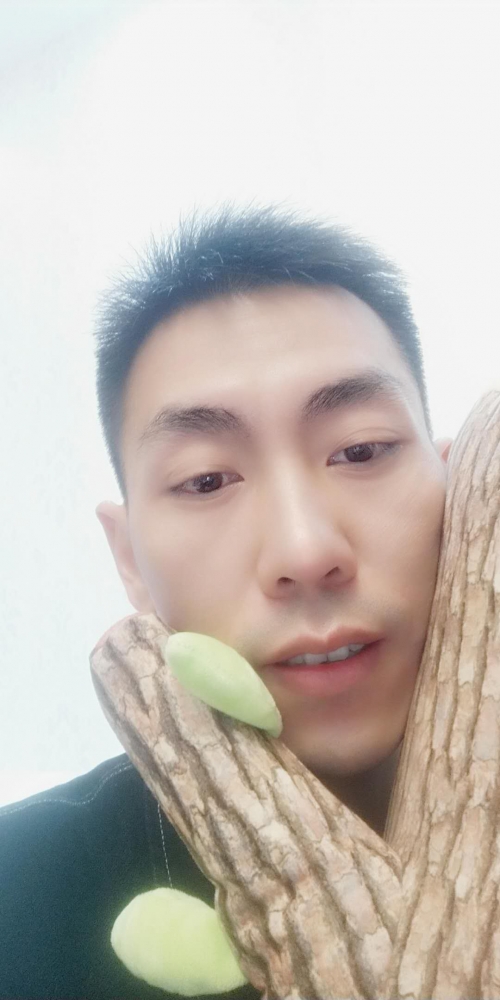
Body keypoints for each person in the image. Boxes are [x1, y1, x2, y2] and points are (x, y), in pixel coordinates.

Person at [0, 205, 453, 999]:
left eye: (360, 449)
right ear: (129, 557)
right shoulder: (22, 903)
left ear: (464, 487)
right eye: (206, 480)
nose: (305, 552)